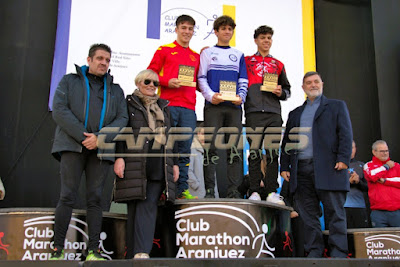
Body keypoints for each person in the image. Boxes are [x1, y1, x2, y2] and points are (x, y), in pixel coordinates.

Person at [50, 44, 128, 260]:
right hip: (73, 146)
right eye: (100, 58)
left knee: (95, 199)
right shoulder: (69, 81)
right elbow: (59, 110)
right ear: (89, 59)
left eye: (107, 60)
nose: (104, 63)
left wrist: (100, 138)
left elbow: (122, 119)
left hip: (100, 150)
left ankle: (94, 250)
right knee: (67, 196)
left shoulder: (116, 89)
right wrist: (86, 138)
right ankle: (57, 250)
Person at [280, 71, 353, 258]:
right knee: (308, 216)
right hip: (301, 170)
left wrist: (344, 159)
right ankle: (314, 252)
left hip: (330, 168)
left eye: (316, 82)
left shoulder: (336, 106)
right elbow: (287, 142)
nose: (313, 85)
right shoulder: (295, 113)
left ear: (322, 84)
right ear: (303, 88)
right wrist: (284, 166)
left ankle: (338, 253)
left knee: (335, 213)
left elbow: (345, 135)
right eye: (308, 83)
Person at [113, 69, 179, 259]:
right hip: (134, 163)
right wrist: (119, 157)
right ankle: (133, 254)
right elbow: (121, 131)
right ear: (138, 83)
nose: (151, 86)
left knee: (148, 205)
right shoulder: (127, 104)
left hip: (158, 165)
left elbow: (171, 136)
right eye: (147, 82)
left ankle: (142, 251)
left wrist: (174, 163)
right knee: (133, 208)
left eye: (155, 83)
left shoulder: (164, 106)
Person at [147, 14, 199, 200]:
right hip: (167, 105)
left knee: (185, 149)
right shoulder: (164, 50)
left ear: (193, 32)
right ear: (176, 29)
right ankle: (164, 189)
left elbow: (199, 83)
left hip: (188, 108)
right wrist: (166, 82)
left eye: (190, 28)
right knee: (165, 149)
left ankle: (182, 189)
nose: (186, 31)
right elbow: (149, 75)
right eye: (183, 27)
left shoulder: (196, 56)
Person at [198, 15, 248, 198]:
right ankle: (210, 190)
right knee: (211, 147)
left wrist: (240, 97)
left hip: (234, 107)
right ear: (216, 31)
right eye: (224, 28)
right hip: (214, 107)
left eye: (230, 29)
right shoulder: (207, 53)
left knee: (233, 148)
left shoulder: (239, 54)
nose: (227, 32)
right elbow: (201, 78)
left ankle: (233, 191)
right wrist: (211, 96)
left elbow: (243, 79)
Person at [244, 25, 291, 203]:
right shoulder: (247, 61)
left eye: (269, 38)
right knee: (254, 152)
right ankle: (254, 190)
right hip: (254, 112)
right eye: (263, 37)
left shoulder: (278, 65)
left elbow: (288, 91)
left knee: (272, 153)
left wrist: (281, 92)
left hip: (273, 113)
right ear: (256, 40)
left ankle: (272, 191)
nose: (266, 41)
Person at [363, 140, 400, 227]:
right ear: (374, 152)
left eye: (386, 151)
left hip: (397, 211)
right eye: (382, 151)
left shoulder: (396, 166)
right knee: (381, 239)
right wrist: (386, 167)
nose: (385, 153)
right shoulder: (368, 165)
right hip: (378, 212)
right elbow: (372, 176)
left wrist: (386, 181)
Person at [187, 123, 219, 198]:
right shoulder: (191, 149)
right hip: (197, 195)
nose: (204, 137)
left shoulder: (211, 151)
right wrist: (197, 186)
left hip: (212, 196)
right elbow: (188, 171)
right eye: (202, 134)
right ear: (198, 134)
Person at [344, 140, 370, 228]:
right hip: (343, 207)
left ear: (355, 149)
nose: (350, 150)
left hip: (359, 206)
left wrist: (358, 182)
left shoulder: (362, 165)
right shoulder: (338, 166)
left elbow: (368, 187)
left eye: (352, 148)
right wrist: (349, 182)